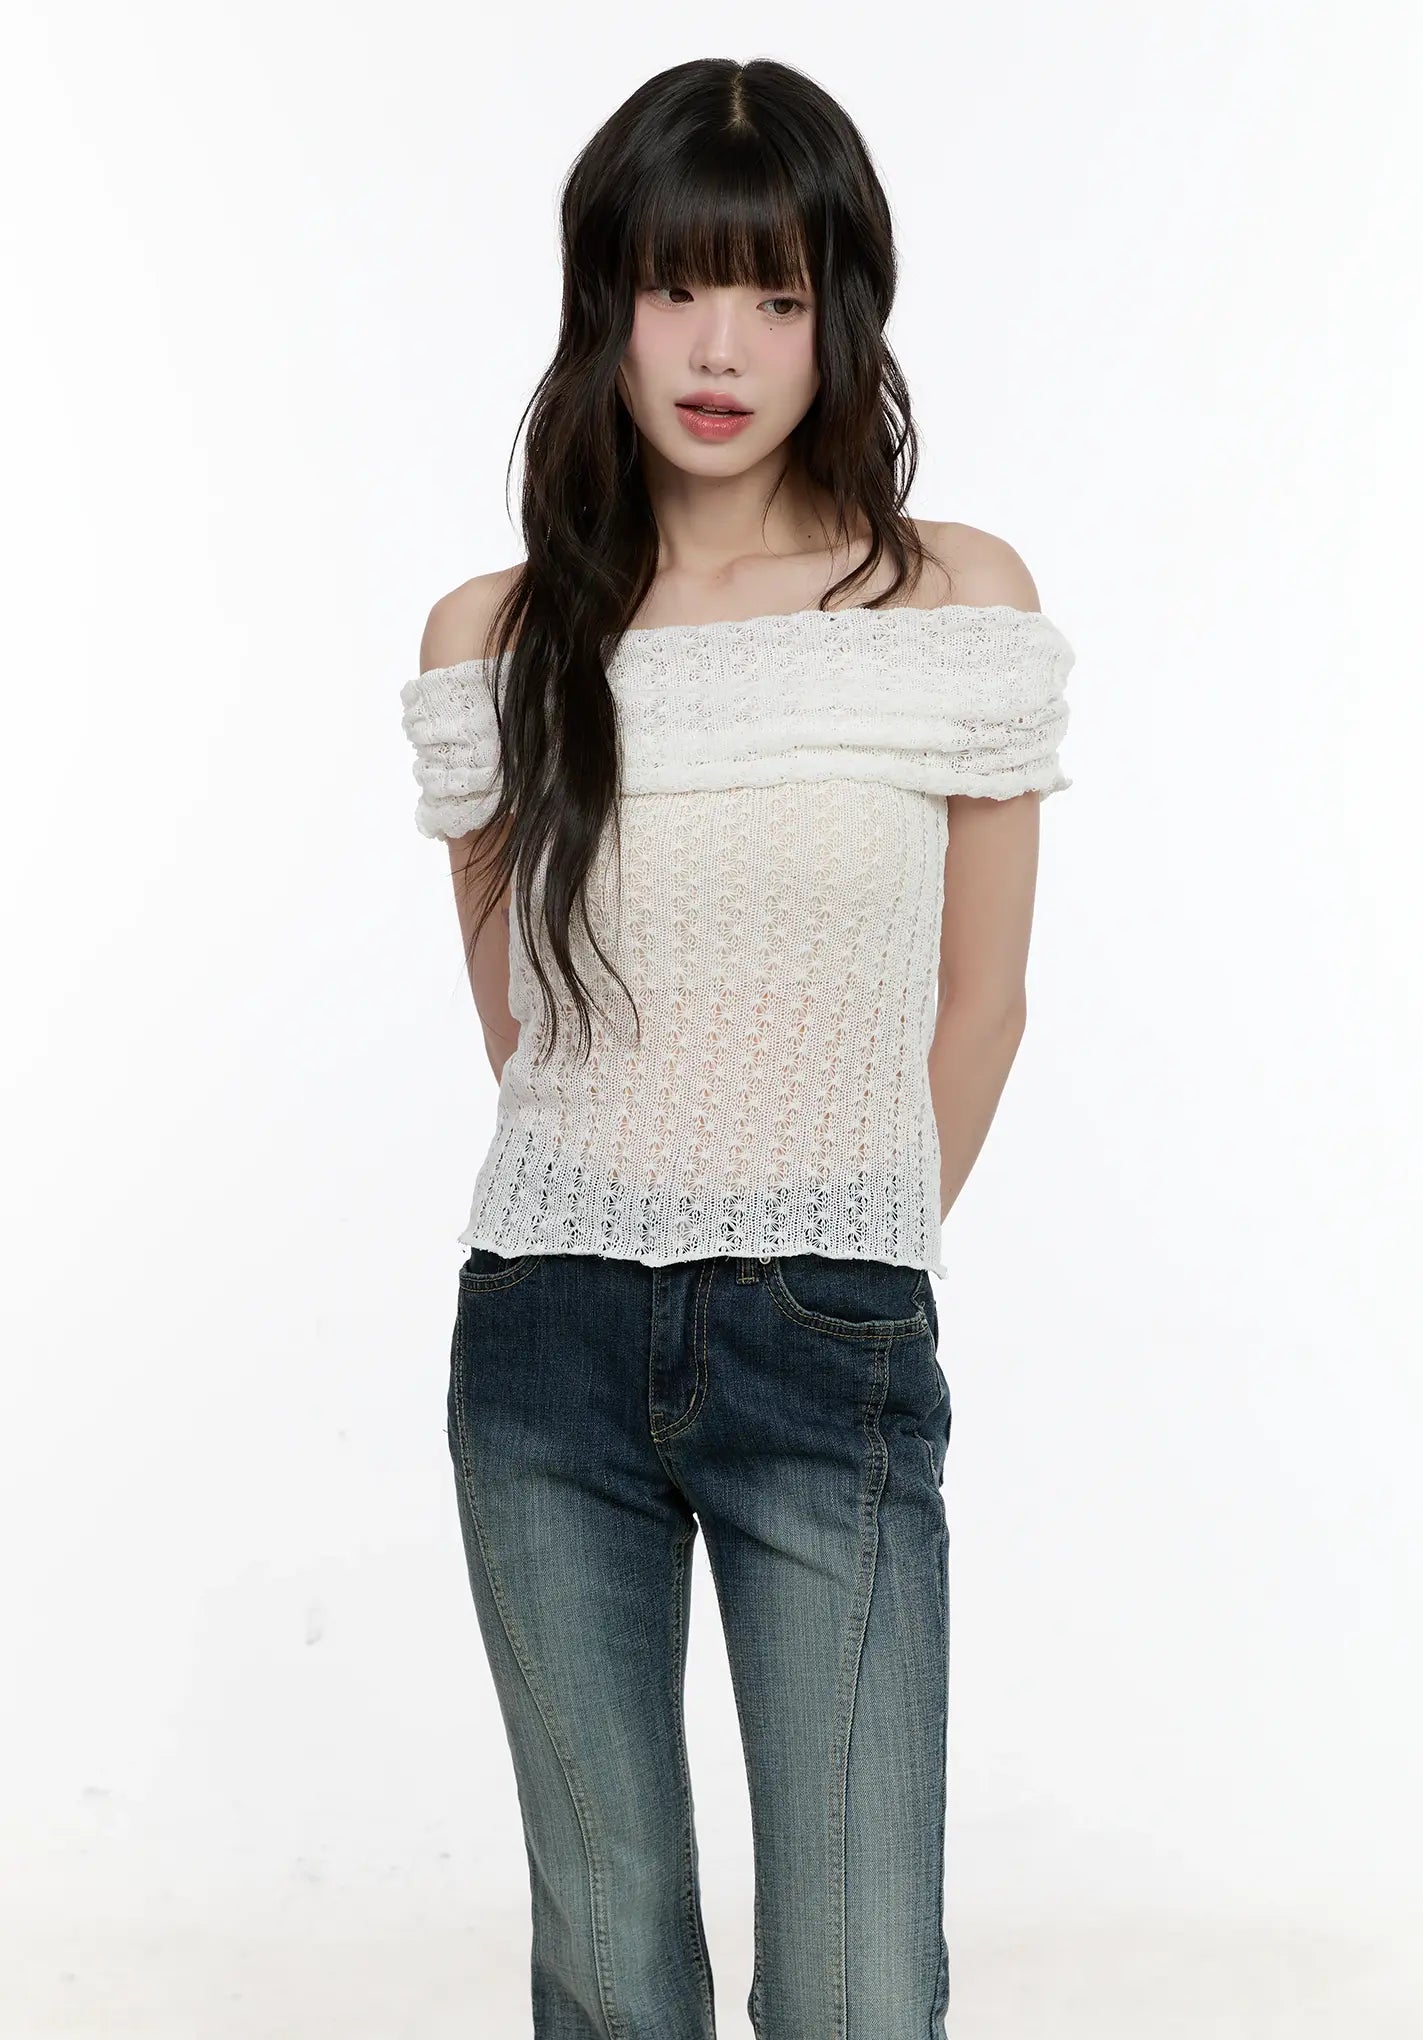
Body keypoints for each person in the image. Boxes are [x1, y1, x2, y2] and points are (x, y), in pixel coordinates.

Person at [398, 55, 1075, 2040]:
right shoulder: (496, 636)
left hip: (829, 1325)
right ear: (602, 299)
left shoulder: (948, 601)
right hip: (544, 1335)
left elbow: (983, 1000)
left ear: (840, 313)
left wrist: (845, 1249)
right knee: (611, 1963)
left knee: (860, 1986)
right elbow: (519, 1025)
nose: (719, 349)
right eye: (677, 286)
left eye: (775, 295)